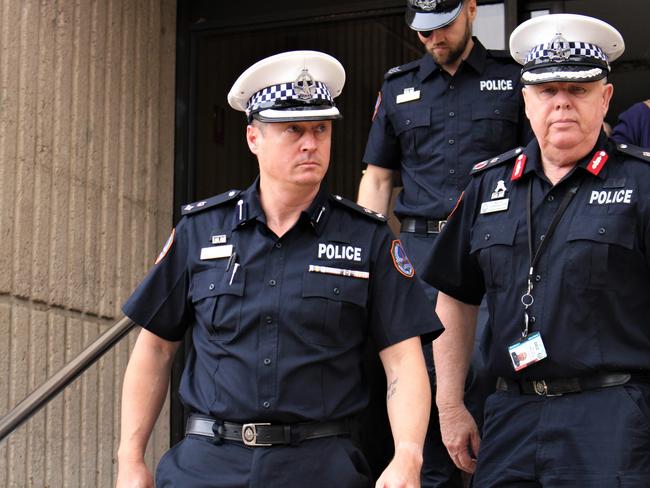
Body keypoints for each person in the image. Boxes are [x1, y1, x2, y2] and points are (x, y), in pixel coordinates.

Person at [115, 50, 441, 488]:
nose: (311, 143)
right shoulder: (200, 230)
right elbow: (154, 349)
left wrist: (408, 455)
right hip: (208, 466)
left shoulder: (368, 237)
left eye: (320, 129)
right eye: (293, 130)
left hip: (319, 466)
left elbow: (403, 359)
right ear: (253, 138)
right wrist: (130, 458)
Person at [423, 13, 650, 486]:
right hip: (510, 415)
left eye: (579, 90)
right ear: (526, 101)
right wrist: (449, 405)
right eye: (548, 92)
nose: (562, 104)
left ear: (605, 97)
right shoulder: (488, 185)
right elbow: (455, 298)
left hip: (611, 418)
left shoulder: (642, 183)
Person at [357, 1, 530, 485]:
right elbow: (377, 180)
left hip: (496, 256)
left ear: (471, 10)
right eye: (423, 30)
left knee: (493, 378)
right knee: (422, 386)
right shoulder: (397, 87)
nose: (433, 38)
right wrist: (371, 263)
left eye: (443, 25)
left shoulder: (511, 80)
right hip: (418, 257)